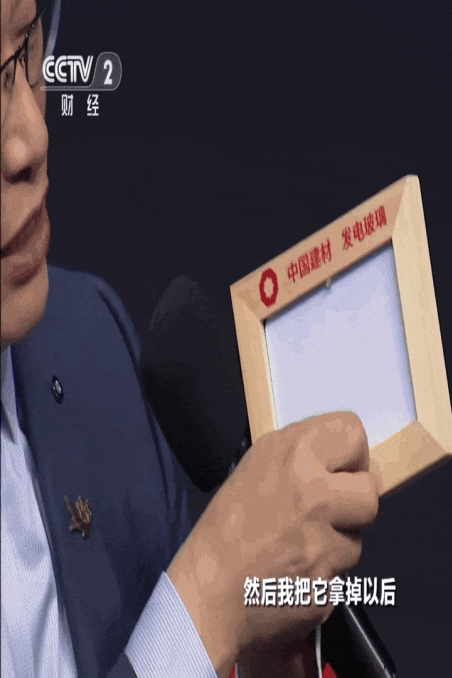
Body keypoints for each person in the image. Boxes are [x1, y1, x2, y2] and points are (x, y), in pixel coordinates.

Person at [0, 1, 380, 676]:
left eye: (25, 47)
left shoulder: (91, 341)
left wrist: (250, 653)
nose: (28, 140)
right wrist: (208, 602)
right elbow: (195, 624)